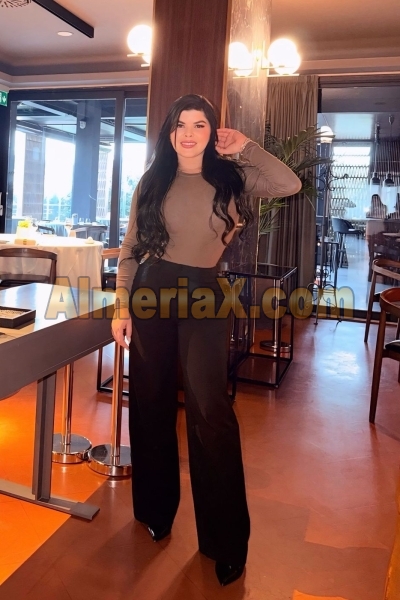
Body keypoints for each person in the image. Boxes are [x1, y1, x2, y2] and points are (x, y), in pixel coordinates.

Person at [112, 94, 301, 587]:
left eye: (200, 124)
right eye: (181, 124)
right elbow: (131, 248)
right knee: (149, 403)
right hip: (151, 292)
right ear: (170, 132)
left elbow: (289, 183)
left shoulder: (232, 177)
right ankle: (154, 510)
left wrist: (246, 147)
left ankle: (225, 541)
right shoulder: (152, 181)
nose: (189, 133)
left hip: (204, 294)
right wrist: (121, 306)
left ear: (212, 131)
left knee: (210, 412)